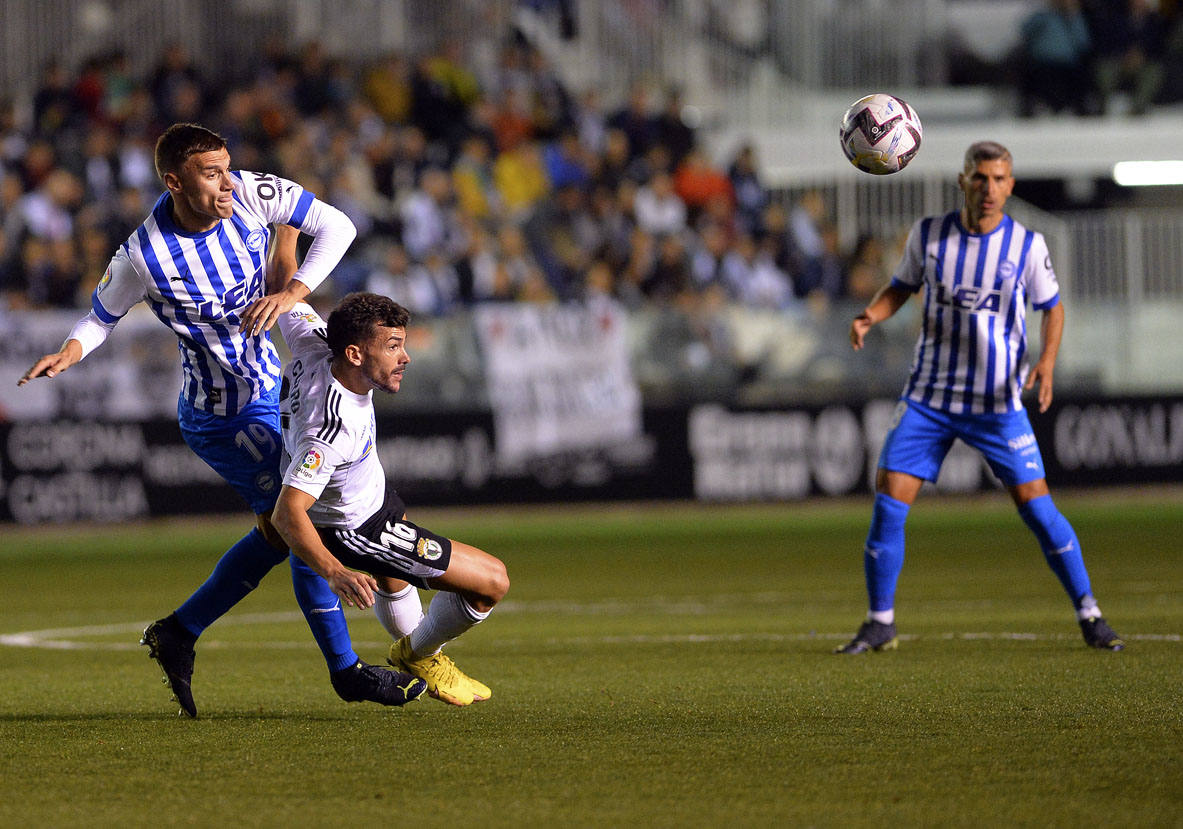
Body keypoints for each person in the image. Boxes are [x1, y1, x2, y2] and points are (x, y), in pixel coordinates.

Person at [17, 123, 423, 716]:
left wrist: (293, 292)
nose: (227, 182)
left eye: (228, 167)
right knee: (305, 524)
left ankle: (179, 632)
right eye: (211, 174)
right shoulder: (143, 255)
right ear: (173, 180)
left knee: (281, 530)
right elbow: (100, 317)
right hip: (223, 415)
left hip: (270, 389)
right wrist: (70, 351)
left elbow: (340, 226)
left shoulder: (251, 193)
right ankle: (345, 671)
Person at [836, 141, 1124, 654]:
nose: (989, 189)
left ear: (1011, 185)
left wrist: (1048, 361)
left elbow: (1052, 308)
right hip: (929, 398)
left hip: (997, 404)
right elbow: (901, 287)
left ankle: (1090, 613)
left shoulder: (1027, 246)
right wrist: (870, 315)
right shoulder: (929, 236)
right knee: (888, 503)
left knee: (1038, 510)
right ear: (962, 181)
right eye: (980, 179)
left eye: (999, 180)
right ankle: (880, 622)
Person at [270, 292, 509, 706]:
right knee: (491, 582)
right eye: (393, 346)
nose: (406, 357)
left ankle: (419, 651)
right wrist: (334, 572)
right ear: (355, 354)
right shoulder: (329, 429)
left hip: (369, 496)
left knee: (394, 578)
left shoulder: (312, 341)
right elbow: (287, 513)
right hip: (358, 528)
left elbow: (286, 289)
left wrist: (285, 232)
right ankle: (418, 654)